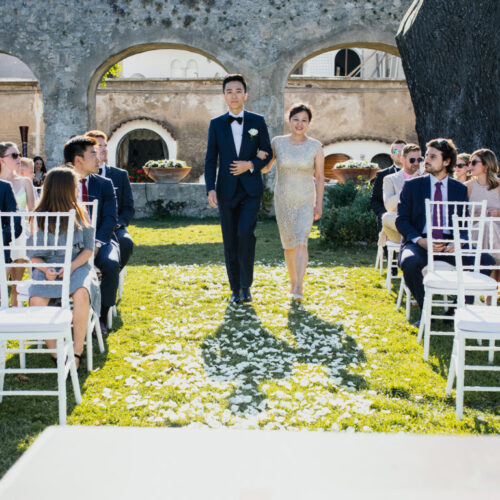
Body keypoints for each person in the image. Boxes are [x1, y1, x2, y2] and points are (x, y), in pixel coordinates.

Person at [396, 138, 495, 316]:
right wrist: (420, 240)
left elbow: (464, 224)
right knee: (409, 262)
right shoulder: (412, 185)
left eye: (432, 157)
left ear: (447, 161)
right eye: (426, 155)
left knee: (485, 260)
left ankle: (457, 309)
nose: (425, 160)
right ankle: (426, 310)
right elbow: (401, 220)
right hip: (421, 241)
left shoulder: (459, 189)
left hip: (451, 245)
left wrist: (460, 241)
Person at [204, 74, 272, 303]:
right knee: (230, 239)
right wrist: (210, 188)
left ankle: (246, 285)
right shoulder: (216, 124)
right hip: (225, 190)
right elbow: (211, 159)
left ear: (245, 94)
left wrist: (251, 164)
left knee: (245, 234)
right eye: (229, 91)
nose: (234, 95)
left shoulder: (257, 121)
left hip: (251, 191)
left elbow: (268, 152)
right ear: (224, 96)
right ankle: (235, 289)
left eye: (238, 91)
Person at [27, 167, 100, 370]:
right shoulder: (38, 216)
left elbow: (87, 249)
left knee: (82, 293)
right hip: (46, 268)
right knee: (36, 299)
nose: (78, 189)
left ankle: (76, 352)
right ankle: (57, 353)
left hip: (77, 265)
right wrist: (45, 269)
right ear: (63, 189)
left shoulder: (80, 212)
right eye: (75, 186)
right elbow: (33, 255)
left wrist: (71, 266)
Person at [261, 103, 324, 300]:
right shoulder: (277, 143)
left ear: (309, 123)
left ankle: (299, 286)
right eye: (296, 119)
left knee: (301, 241)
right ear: (289, 120)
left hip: (306, 199)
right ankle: (292, 281)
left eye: (304, 120)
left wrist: (318, 204)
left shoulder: (316, 146)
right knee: (288, 244)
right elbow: (265, 169)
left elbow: (320, 177)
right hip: (284, 200)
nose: (299, 123)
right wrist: (260, 157)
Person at [63, 135, 119, 336]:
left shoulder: (104, 184)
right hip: (68, 243)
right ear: (78, 160)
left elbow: (110, 218)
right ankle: (59, 316)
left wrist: (95, 244)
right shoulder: (59, 183)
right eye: (93, 153)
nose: (99, 158)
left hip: (100, 239)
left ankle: (101, 316)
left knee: (111, 264)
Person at [85, 130, 135, 268]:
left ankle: (110, 275)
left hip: (114, 225)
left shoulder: (120, 175)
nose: (104, 149)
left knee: (126, 241)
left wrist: (119, 223)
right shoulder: (82, 176)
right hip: (89, 224)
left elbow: (128, 207)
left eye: (105, 145)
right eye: (99, 146)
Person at [0, 142, 36, 306]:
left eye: (19, 155)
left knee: (21, 239)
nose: (19, 158)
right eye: (14, 155)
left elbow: (32, 212)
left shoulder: (25, 182)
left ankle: (14, 298)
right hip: (3, 233)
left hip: (22, 231)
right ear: (2, 160)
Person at [465, 148, 500, 282]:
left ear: (485, 165)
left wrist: (498, 214)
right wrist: (475, 215)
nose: (469, 166)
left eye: (474, 163)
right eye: (469, 162)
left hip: (497, 233)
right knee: (485, 224)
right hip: (474, 235)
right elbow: (458, 215)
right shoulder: (467, 187)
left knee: (488, 225)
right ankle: (488, 286)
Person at [381, 143, 422, 244]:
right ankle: (416, 238)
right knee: (386, 217)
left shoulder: (427, 178)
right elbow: (389, 206)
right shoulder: (390, 179)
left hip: (423, 222)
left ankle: (416, 237)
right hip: (401, 226)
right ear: (403, 160)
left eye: (419, 160)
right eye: (412, 160)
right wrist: (409, 183)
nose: (416, 163)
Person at [371, 139, 406, 233]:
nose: (399, 154)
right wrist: (386, 215)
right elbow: (375, 200)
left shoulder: (417, 173)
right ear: (392, 155)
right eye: (396, 151)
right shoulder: (382, 175)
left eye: (402, 151)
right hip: (389, 222)